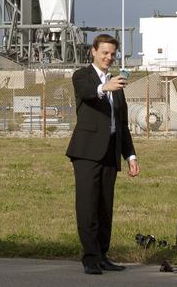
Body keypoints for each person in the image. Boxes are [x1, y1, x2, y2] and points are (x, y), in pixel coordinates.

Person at [66, 34, 139, 275]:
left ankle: (103, 255)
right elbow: (87, 92)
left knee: (105, 207)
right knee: (88, 206)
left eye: (112, 54)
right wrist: (103, 88)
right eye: (105, 52)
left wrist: (130, 156)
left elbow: (122, 124)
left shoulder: (116, 85)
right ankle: (90, 258)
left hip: (110, 151)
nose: (109, 57)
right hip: (87, 152)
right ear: (94, 51)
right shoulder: (82, 76)